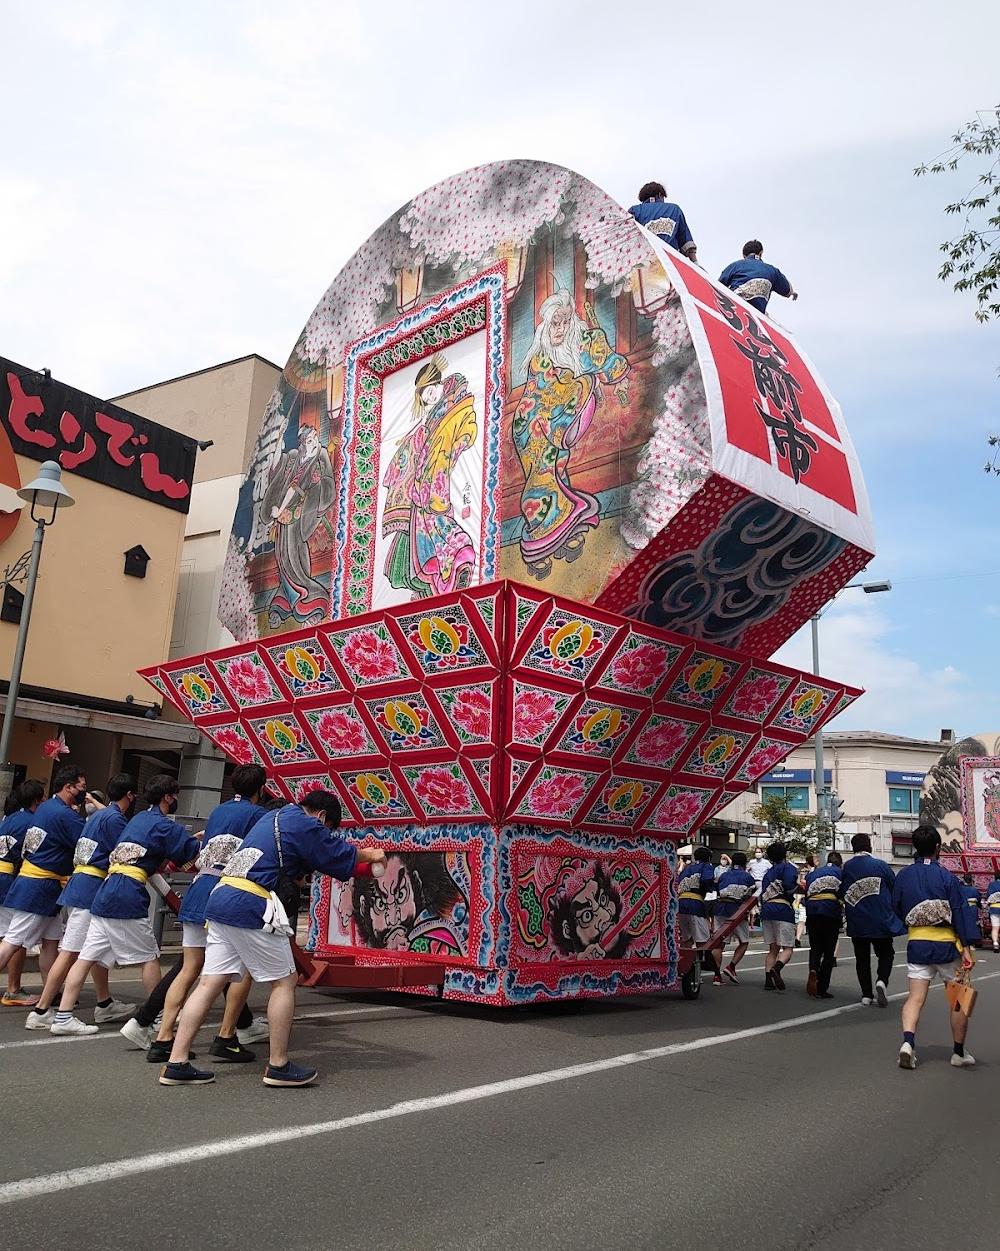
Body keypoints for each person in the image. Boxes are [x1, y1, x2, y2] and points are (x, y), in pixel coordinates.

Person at [160, 789, 386, 1088]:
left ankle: (176, 1063)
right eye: (326, 828)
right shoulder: (305, 823)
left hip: (221, 896)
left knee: (209, 982)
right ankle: (278, 1065)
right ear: (321, 816)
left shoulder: (273, 817)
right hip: (250, 902)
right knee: (284, 982)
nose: (324, 833)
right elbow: (334, 852)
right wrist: (371, 854)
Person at [47, 774, 200, 1036]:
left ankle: (62, 1016)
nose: (175, 800)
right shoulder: (163, 825)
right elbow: (188, 853)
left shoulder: (136, 819)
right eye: (174, 795)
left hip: (105, 890)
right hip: (127, 893)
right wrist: (200, 841)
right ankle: (157, 1013)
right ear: (167, 797)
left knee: (85, 958)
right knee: (149, 958)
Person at [139, 764, 271, 1064]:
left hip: (198, 889)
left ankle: (162, 1038)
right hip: (227, 894)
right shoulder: (259, 816)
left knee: (190, 968)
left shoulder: (218, 811)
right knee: (240, 969)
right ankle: (227, 1035)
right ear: (260, 788)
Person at [25, 774, 137, 1030]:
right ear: (130, 795)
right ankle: (45, 1010)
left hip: (81, 886)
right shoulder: (113, 819)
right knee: (73, 953)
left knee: (91, 951)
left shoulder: (97, 815)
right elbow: (124, 852)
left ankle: (104, 1002)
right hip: (90, 888)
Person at [892, 825, 979, 1070]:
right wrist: (966, 947)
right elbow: (961, 913)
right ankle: (958, 1053)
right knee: (958, 999)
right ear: (938, 848)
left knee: (915, 998)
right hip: (946, 945)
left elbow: (896, 907)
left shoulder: (904, 876)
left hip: (917, 943)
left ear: (914, 848)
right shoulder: (947, 877)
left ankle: (908, 1043)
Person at [0, 765, 88, 985]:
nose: (84, 793)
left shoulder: (46, 808)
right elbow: (85, 845)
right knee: (13, 940)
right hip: (39, 884)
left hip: (40, 882)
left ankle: (51, 993)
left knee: (51, 941)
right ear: (68, 788)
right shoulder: (63, 814)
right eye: (81, 787)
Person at [840, 832, 903, 1007]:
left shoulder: (847, 867)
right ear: (869, 846)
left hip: (857, 919)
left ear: (853, 847)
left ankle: (866, 994)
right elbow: (894, 888)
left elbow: (842, 891)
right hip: (880, 918)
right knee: (886, 953)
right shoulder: (881, 865)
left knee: (862, 958)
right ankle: (882, 980)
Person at [0, 780, 46, 1006]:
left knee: (6, 936)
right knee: (15, 938)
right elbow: (32, 853)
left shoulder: (9, 819)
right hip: (9, 880)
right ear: (38, 799)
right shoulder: (31, 822)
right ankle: (13, 988)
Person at [676, 847, 720, 984]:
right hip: (695, 903)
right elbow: (707, 880)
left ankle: (683, 969)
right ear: (708, 858)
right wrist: (714, 887)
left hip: (681, 903)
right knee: (702, 941)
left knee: (686, 940)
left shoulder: (686, 869)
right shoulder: (706, 867)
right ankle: (698, 973)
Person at [718, 241, 797, 315]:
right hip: (756, 317)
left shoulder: (736, 265)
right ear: (761, 253)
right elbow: (787, 290)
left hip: (733, 309)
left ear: (744, 255)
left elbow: (718, 286)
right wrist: (792, 293)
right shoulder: (773, 271)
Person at [628, 181, 698, 261]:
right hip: (671, 261)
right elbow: (686, 241)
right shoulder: (675, 209)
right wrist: (695, 263)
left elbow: (627, 237)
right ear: (660, 194)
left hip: (645, 261)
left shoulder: (635, 210)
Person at [805, 852, 843, 999]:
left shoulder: (814, 873)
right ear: (839, 863)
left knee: (815, 947)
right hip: (829, 911)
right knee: (828, 951)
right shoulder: (840, 873)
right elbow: (843, 892)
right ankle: (822, 987)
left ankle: (813, 969)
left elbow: (807, 891)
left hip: (812, 910)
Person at [760, 842, 798, 991]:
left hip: (767, 909)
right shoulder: (788, 868)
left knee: (772, 949)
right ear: (785, 854)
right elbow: (789, 886)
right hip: (782, 909)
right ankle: (777, 967)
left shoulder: (768, 873)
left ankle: (768, 980)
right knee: (788, 948)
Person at [714, 851, 756, 983]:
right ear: (745, 864)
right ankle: (731, 966)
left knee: (718, 943)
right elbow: (751, 894)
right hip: (737, 910)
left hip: (720, 909)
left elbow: (717, 889)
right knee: (744, 941)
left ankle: (717, 975)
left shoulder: (723, 875)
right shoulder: (748, 877)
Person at [748, 845, 771, 929]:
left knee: (762, 900)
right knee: (753, 902)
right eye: (756, 852)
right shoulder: (751, 862)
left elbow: (771, 871)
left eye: (759, 852)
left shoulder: (766, 862)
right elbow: (747, 870)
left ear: (762, 853)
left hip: (762, 882)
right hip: (754, 882)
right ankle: (753, 921)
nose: (758, 854)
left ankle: (763, 919)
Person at [959, 873, 983, 948]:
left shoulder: (960, 889)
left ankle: (963, 940)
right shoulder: (974, 889)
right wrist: (980, 906)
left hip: (963, 907)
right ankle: (973, 941)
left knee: (963, 924)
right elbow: (978, 899)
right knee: (973, 924)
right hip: (973, 908)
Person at [985, 872, 1000, 953]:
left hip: (994, 907)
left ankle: (995, 943)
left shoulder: (991, 884)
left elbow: (988, 896)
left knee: (995, 928)